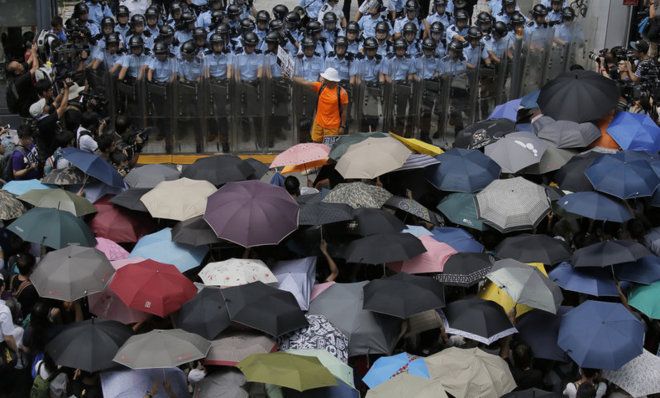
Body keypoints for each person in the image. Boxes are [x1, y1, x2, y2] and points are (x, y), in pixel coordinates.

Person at [294, 67, 349, 143]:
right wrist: (292, 77)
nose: (324, 80)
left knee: (329, 148)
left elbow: (344, 111)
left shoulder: (342, 93)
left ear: (332, 81)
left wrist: (342, 126)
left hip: (332, 127)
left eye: (326, 79)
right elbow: (305, 82)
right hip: (318, 124)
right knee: (315, 143)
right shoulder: (320, 87)